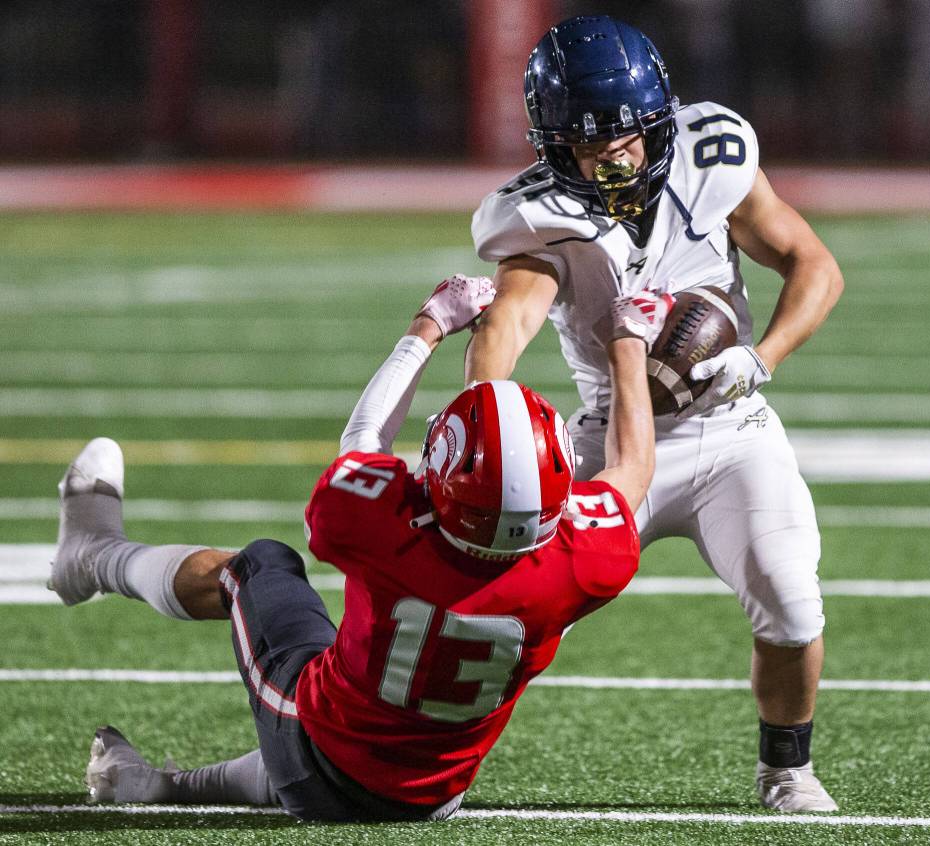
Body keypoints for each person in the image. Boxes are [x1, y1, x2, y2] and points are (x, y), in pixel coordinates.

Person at [48, 275, 663, 821]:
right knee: (353, 711)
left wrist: (428, 327)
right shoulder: (589, 559)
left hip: (319, 755)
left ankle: (95, 554)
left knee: (261, 565)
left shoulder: (384, 525)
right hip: (434, 793)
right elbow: (631, 469)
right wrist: (629, 344)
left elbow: (365, 435)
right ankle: (161, 788)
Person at [467, 16, 844, 812]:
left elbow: (814, 264)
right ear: (549, 142)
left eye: (623, 135)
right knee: (505, 615)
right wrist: (485, 413)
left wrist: (761, 355)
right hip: (612, 440)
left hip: (730, 426)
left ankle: (788, 768)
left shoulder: (714, 157)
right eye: (583, 140)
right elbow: (507, 323)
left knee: (791, 598)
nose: (607, 154)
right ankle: (434, 758)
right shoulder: (536, 216)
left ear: (658, 120)